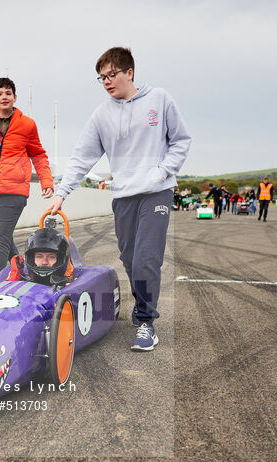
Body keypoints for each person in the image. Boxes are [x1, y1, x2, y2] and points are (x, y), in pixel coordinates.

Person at [49, 47, 191, 352]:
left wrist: (163, 171)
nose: (107, 82)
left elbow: (181, 141)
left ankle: (145, 322)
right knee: (129, 258)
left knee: (145, 259)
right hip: (124, 195)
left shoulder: (160, 100)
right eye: (101, 78)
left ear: (130, 73)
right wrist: (61, 193)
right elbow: (81, 157)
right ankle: (144, 306)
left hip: (157, 191)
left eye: (112, 74)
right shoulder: (102, 115)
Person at [0, 77, 54, 282]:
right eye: (0, 93)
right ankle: (24, 273)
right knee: (3, 237)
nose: (4, 97)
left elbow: (38, 155)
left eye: (8, 93)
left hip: (15, 192)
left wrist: (47, 181)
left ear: (15, 97)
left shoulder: (27, 125)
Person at [7, 224, 73, 286]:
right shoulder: (20, 275)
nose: (44, 262)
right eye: (39, 256)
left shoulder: (73, 285)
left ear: (60, 259)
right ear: (31, 259)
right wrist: (13, 281)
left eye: (51, 257)